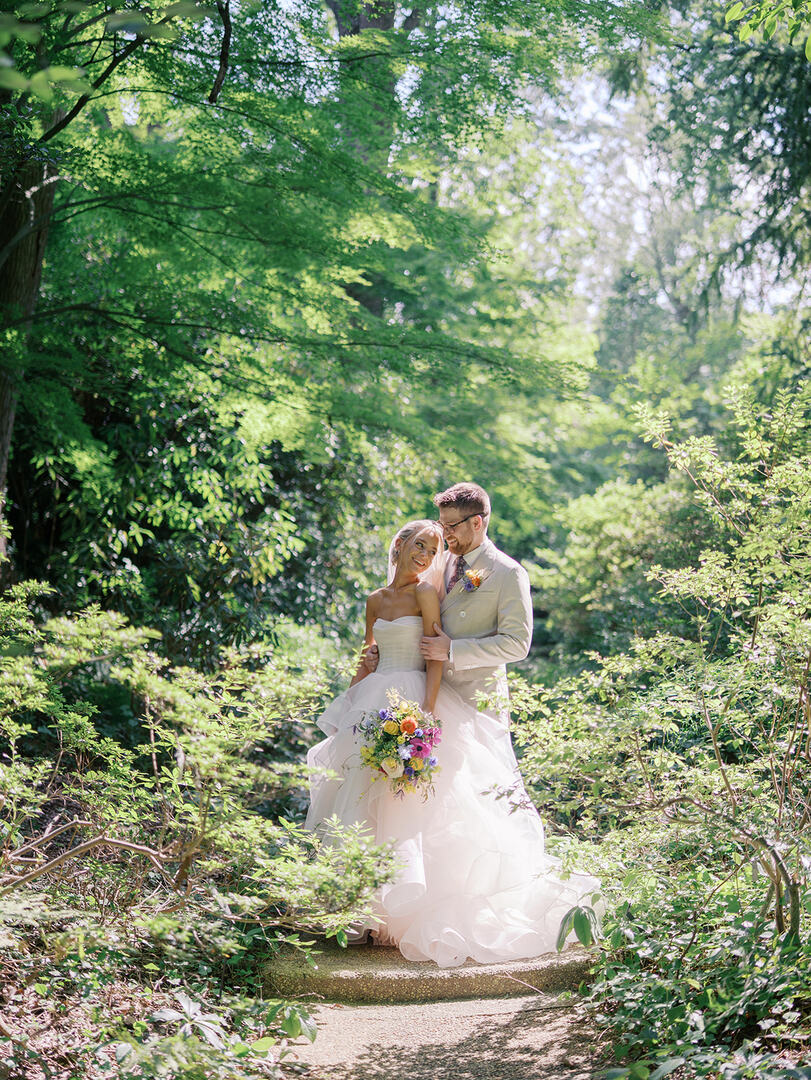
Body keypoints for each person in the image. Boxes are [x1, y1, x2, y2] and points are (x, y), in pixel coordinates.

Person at [305, 498, 599, 969]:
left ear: (476, 522)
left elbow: (515, 643)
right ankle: (374, 911)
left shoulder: (505, 572)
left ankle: (437, 903)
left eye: (449, 529)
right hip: (393, 695)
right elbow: (375, 643)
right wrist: (358, 683)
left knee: (450, 806)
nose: (440, 542)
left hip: (461, 701)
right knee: (374, 797)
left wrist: (441, 672)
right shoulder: (435, 568)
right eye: (435, 532)